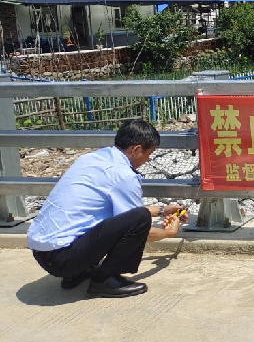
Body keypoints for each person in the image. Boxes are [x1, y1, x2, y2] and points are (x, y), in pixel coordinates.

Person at [27, 119, 186, 298]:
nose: (147, 159)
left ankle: (77, 273)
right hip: (63, 259)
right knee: (140, 218)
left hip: (43, 253)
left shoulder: (92, 158)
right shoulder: (124, 175)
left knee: (125, 216)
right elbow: (140, 227)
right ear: (136, 150)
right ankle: (104, 280)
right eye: (148, 154)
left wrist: (163, 210)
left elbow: (118, 215)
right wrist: (169, 233)